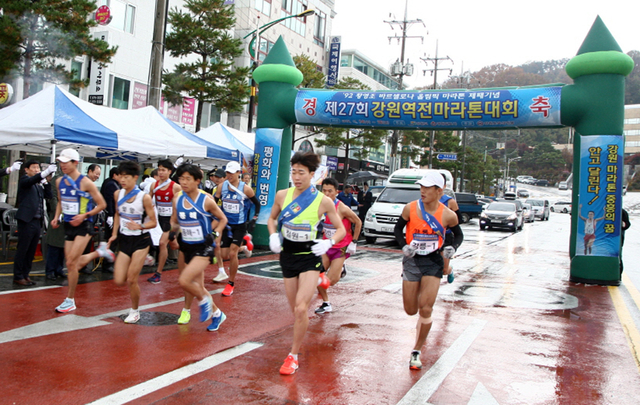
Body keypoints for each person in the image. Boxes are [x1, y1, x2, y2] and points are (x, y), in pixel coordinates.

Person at [267, 152, 346, 375]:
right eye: (293, 172)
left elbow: (340, 229)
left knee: (302, 307)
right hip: (288, 257)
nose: (296, 177)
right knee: (296, 310)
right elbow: (272, 219)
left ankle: (293, 356)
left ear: (312, 175)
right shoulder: (282, 195)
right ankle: (318, 282)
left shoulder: (323, 200)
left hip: (310, 257)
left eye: (301, 173)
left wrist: (329, 242)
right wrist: (273, 235)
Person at [393, 171, 463, 370]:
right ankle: (419, 298)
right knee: (411, 310)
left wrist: (453, 248)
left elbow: (458, 235)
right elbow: (398, 229)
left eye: (427, 188)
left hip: (433, 262)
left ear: (439, 191)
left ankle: (416, 350)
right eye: (421, 187)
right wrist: (403, 246)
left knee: (426, 308)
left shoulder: (448, 214)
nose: (422, 191)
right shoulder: (410, 208)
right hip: (412, 261)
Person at [51, 149, 114, 313]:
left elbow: (102, 204)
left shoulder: (86, 183)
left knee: (71, 263)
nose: (62, 165)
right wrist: (57, 217)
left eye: (66, 162)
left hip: (84, 225)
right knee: (71, 263)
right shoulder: (59, 181)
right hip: (68, 225)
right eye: (61, 162)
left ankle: (70, 300)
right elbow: (60, 201)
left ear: (75, 163)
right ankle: (99, 252)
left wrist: (84, 215)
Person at [171, 164, 228, 330]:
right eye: (181, 179)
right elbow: (174, 221)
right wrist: (171, 235)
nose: (184, 182)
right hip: (185, 245)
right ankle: (217, 314)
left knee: (184, 280)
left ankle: (204, 302)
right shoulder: (177, 199)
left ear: (197, 181)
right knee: (197, 286)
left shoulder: (206, 200)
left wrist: (215, 234)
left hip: (203, 246)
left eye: (188, 179)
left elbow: (222, 219)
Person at [108, 161, 157, 324]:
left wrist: (140, 226)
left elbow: (153, 222)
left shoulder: (144, 198)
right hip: (125, 239)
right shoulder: (118, 194)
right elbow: (117, 214)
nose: (123, 180)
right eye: (120, 176)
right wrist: (114, 234)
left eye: (126, 177)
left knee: (131, 279)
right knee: (118, 280)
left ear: (135, 177)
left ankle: (135, 311)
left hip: (141, 240)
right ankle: (146, 259)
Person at [315, 177, 361, 314]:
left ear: (336, 192)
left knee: (331, 280)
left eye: (330, 191)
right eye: (324, 191)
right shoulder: (320, 205)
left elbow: (358, 222)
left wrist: (354, 242)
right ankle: (326, 303)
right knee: (317, 276)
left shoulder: (342, 208)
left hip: (341, 247)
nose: (327, 194)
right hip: (326, 245)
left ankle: (341, 267)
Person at [214, 161, 260, 296]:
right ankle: (245, 246)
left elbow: (257, 204)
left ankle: (231, 283)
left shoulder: (245, 189)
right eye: (228, 173)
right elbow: (214, 203)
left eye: (232, 173)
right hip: (226, 224)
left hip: (239, 225)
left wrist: (254, 219)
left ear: (239, 173)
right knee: (224, 254)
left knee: (232, 253)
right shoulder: (221, 187)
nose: (229, 175)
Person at [13, 160, 55, 285]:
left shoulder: (38, 184)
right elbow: (31, 180)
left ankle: (25, 274)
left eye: (38, 168)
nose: (37, 170)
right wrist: (43, 174)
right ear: (26, 169)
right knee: (23, 249)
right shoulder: (24, 180)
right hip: (27, 220)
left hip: (37, 220)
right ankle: (18, 275)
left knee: (31, 250)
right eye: (34, 167)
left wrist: (45, 182)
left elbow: (49, 195)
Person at [147, 159, 182, 284]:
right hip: (160, 219)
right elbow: (148, 200)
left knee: (162, 243)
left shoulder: (175, 187)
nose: (160, 172)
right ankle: (191, 249)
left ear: (169, 172)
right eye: (159, 170)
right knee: (174, 246)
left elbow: (181, 205)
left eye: (163, 170)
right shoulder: (154, 185)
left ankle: (158, 274)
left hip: (172, 221)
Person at [438, 174, 461, 284]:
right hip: (430, 236)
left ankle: (450, 270)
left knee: (444, 270)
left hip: (446, 237)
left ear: (443, 186)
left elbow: (459, 219)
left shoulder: (450, 201)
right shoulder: (424, 201)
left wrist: (447, 222)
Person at [44, 174, 67, 280]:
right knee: (54, 246)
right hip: (56, 216)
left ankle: (59, 269)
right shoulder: (57, 179)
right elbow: (53, 197)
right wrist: (58, 213)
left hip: (66, 216)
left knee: (62, 246)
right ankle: (50, 270)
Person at [100, 167, 121, 273]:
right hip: (111, 216)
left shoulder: (108, 182)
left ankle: (108, 262)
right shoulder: (111, 185)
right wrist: (111, 215)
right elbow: (109, 201)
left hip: (111, 215)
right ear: (115, 175)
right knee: (112, 240)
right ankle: (107, 264)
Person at [621, 208, 630, 275]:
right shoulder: (600, 210)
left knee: (616, 256)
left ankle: (617, 273)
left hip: (616, 240)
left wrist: (624, 224)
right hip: (601, 239)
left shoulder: (622, 212)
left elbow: (627, 224)